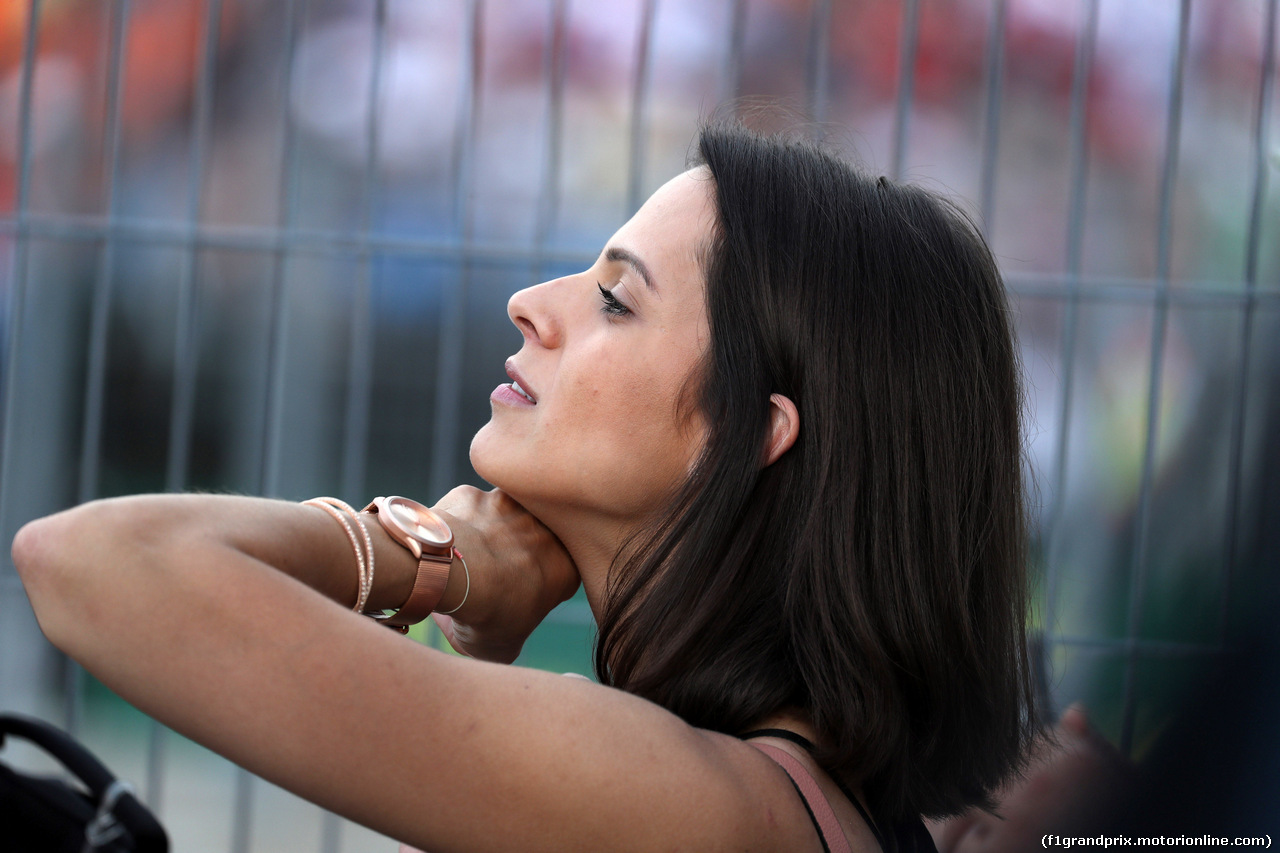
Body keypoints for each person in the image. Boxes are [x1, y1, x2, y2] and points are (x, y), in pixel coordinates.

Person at [13, 123, 1035, 852]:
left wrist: (433, 561)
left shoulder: (687, 798)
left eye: (612, 300)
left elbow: (94, 562)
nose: (529, 304)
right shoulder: (775, 791)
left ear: (748, 433)